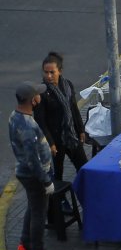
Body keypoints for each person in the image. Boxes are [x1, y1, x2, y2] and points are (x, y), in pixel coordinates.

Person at [9, 82, 61, 250]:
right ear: (33, 100)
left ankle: (25, 246)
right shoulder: (28, 126)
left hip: (24, 173)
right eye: (38, 94)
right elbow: (33, 160)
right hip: (34, 176)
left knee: (32, 208)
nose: (41, 96)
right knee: (39, 213)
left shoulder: (14, 116)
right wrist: (46, 181)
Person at [34, 51, 87, 182]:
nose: (49, 76)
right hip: (56, 139)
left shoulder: (68, 85)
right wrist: (50, 143)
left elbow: (74, 108)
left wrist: (80, 130)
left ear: (60, 71)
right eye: (46, 72)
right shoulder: (41, 92)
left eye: (52, 72)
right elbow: (40, 121)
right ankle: (59, 200)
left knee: (83, 167)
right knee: (58, 173)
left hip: (71, 135)